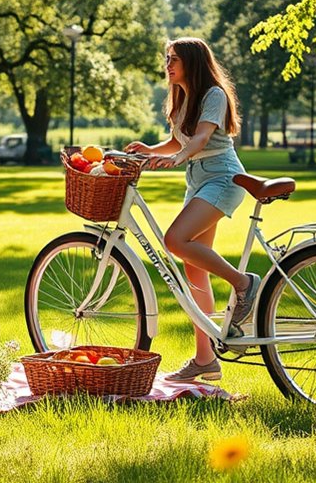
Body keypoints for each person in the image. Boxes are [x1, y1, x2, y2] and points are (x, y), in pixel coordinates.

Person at [125, 37, 260, 383]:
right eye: (167, 59)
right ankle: (205, 360)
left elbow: (200, 139)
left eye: (174, 59)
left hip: (222, 177)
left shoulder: (212, 94)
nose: (167, 65)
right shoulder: (182, 97)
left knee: (175, 240)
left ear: (192, 62)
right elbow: (180, 139)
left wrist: (175, 159)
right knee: (194, 270)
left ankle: (244, 283)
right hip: (198, 179)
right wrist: (150, 149)